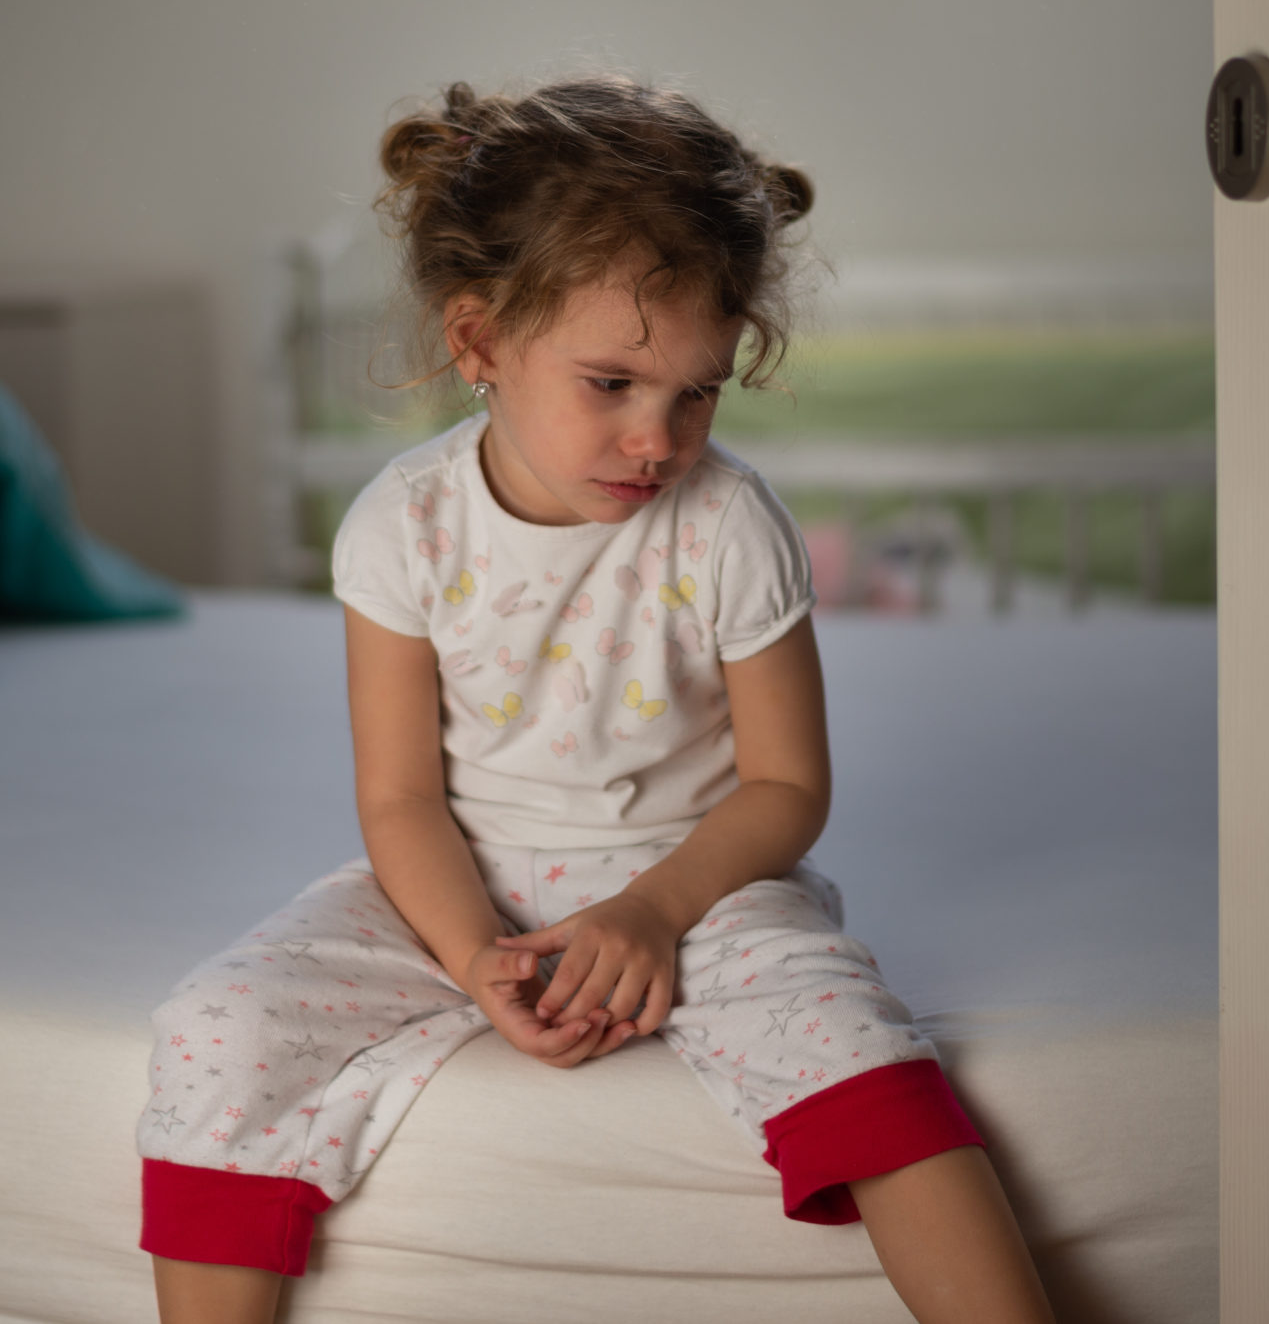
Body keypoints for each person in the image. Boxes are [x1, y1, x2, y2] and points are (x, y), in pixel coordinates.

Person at [136, 78, 1053, 1324]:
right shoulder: (404, 525)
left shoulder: (728, 523)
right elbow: (400, 796)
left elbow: (788, 787)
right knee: (217, 1026)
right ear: (478, 344)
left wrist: (652, 911)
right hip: (460, 882)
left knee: (864, 1051)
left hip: (693, 882)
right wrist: (473, 959)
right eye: (613, 382)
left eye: (697, 390)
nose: (657, 437)